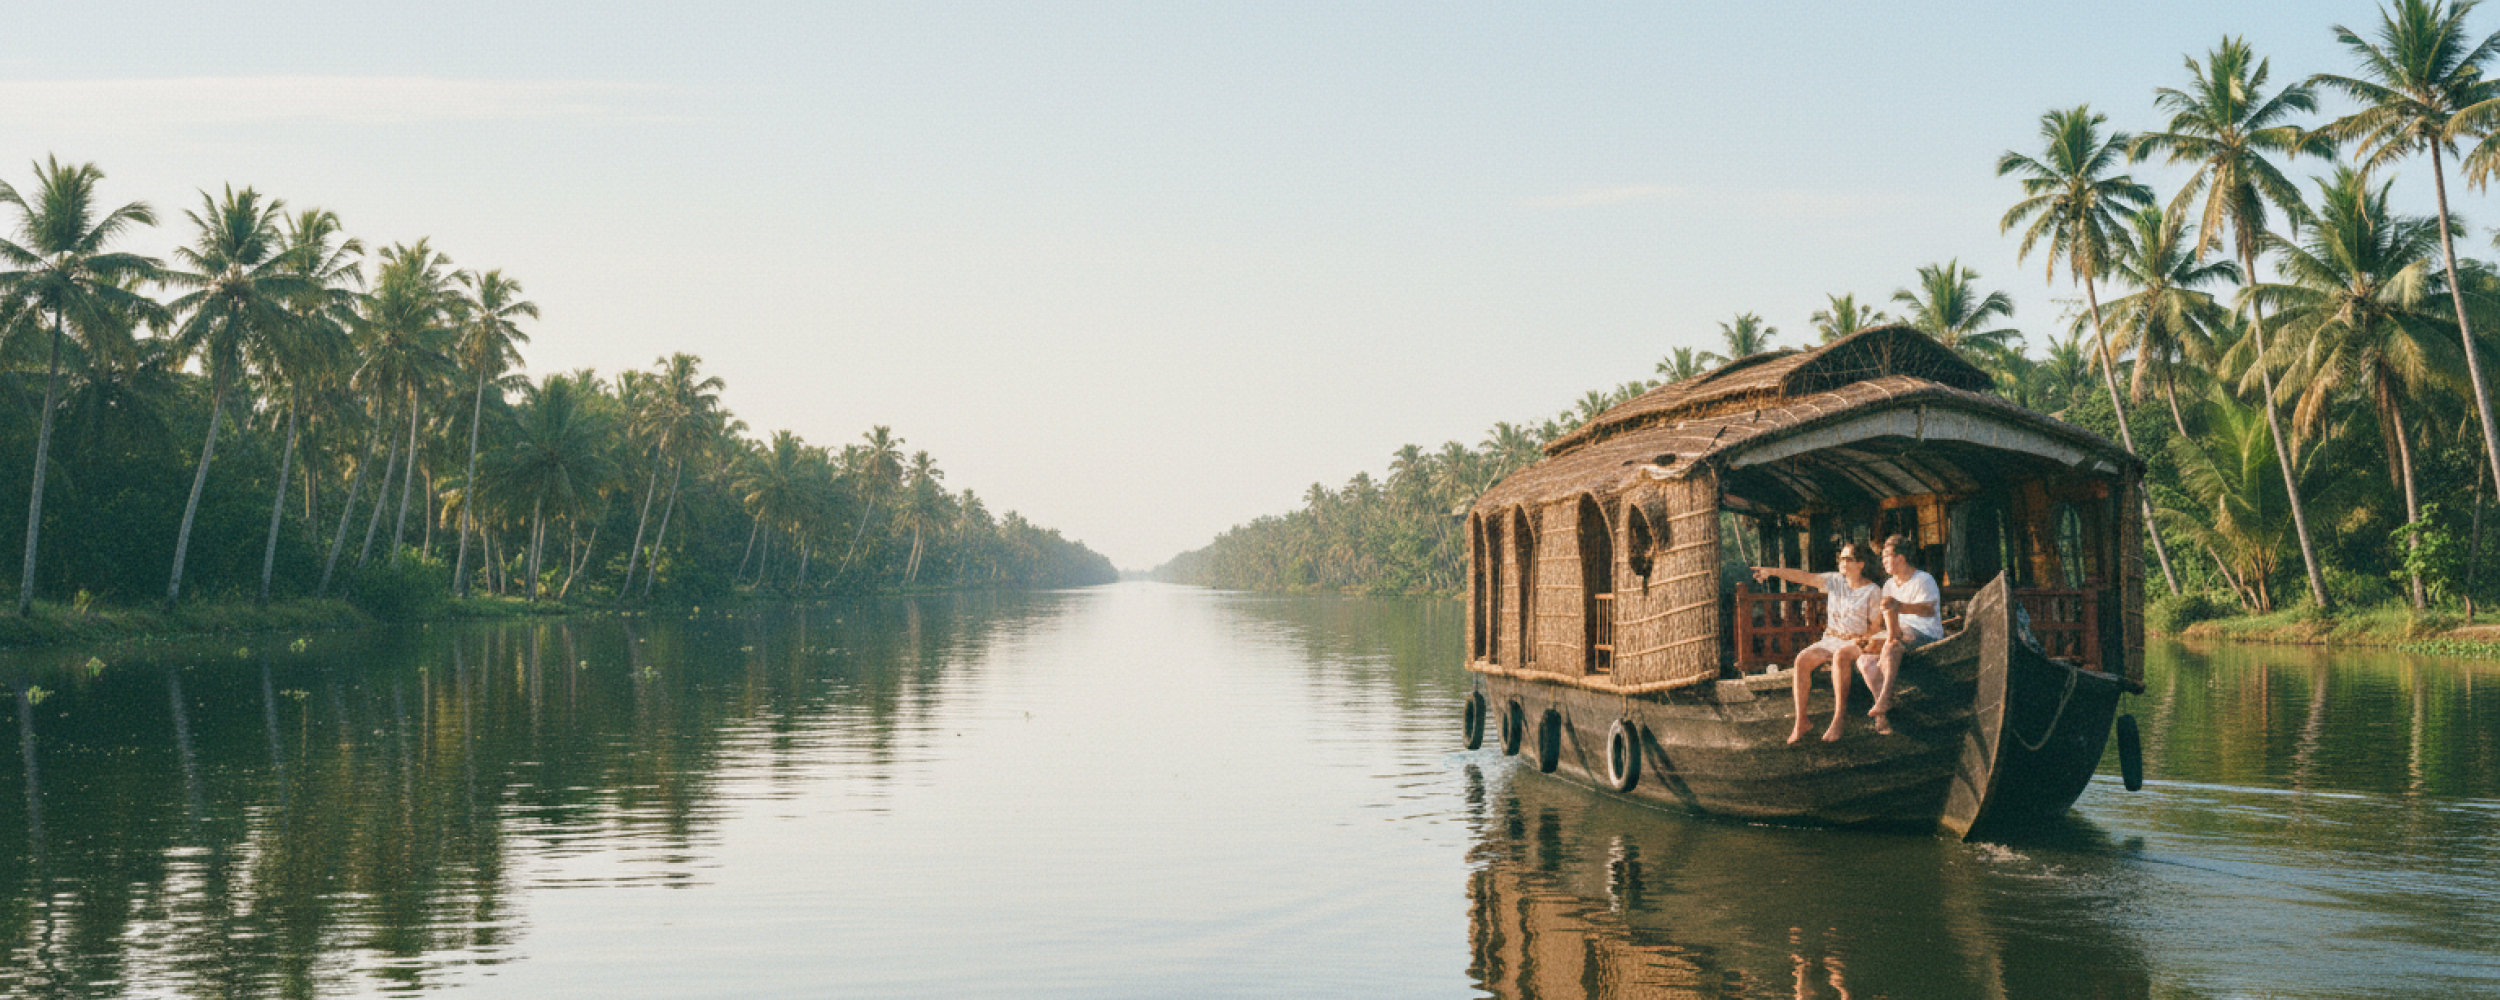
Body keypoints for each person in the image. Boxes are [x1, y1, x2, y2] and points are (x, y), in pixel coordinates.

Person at [1750, 542, 1882, 744]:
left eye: (1848, 558)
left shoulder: (1872, 590)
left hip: (1855, 641)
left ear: (1861, 564)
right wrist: (1772, 571)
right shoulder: (1835, 581)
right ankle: (1801, 721)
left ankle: (1838, 718)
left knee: (1840, 657)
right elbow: (1804, 576)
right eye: (1841, 557)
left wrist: (1862, 639)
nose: (1842, 561)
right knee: (1802, 659)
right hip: (1831, 638)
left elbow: (1875, 626)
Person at [1858, 533, 1944, 735]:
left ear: (1900, 559)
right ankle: (1884, 712)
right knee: (1865, 661)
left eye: (1887, 556)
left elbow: (1929, 610)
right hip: (1898, 633)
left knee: (1891, 644)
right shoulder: (1888, 585)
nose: (1884, 561)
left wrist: (1900, 607)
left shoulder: (1923, 579)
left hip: (1924, 631)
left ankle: (1886, 698)